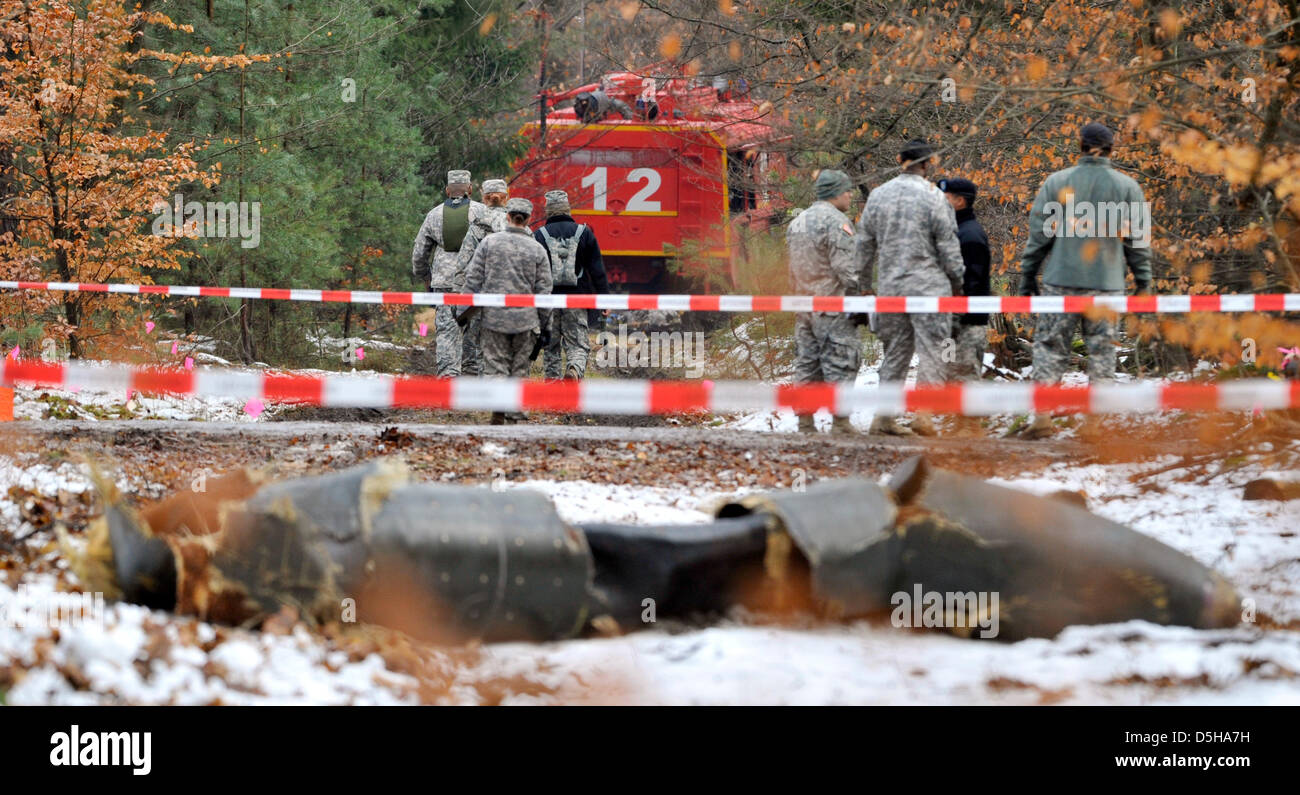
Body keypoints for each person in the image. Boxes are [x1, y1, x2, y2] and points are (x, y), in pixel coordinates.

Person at [1017, 122, 1153, 439]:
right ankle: (1096, 423)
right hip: (1106, 284)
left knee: (1050, 348)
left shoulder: (1057, 182)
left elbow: (1039, 234)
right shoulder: (1128, 187)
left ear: (1080, 145)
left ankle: (1042, 418)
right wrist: (1143, 281)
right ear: (1111, 149)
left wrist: (1028, 274)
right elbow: (1138, 240)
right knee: (1102, 352)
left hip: (1060, 282)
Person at [856, 140, 964, 437]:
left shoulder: (878, 196)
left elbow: (864, 245)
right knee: (932, 353)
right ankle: (923, 416)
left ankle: (884, 417)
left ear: (899, 160)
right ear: (927, 164)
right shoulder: (934, 197)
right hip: (929, 290)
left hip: (891, 289)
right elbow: (948, 247)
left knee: (895, 353)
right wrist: (958, 284)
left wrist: (865, 286)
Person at [786, 169, 862, 435]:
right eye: (847, 190)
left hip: (803, 305)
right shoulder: (836, 222)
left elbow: (791, 271)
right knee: (841, 360)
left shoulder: (798, 222)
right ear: (835, 193)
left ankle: (805, 422)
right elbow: (847, 270)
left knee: (807, 362)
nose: (850, 195)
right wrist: (862, 297)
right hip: (832, 305)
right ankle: (840, 422)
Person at [464, 198, 553, 425]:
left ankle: (498, 407)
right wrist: (546, 326)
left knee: (495, 365)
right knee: (520, 368)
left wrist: (463, 313)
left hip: (494, 319)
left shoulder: (489, 243)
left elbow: (472, 280)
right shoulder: (537, 249)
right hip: (526, 319)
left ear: (508, 216)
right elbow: (544, 292)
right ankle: (515, 413)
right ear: (529, 219)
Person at [411, 169, 490, 376]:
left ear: (447, 190)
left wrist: (426, 278)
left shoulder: (434, 215)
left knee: (447, 331)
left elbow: (420, 252)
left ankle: (448, 376)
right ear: (470, 189)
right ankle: (473, 375)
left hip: (444, 283)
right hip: (476, 283)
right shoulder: (483, 213)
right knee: (475, 331)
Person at [534, 189, 610, 380]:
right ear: (568, 209)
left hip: (548, 301)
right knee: (578, 344)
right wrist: (604, 299)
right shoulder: (584, 233)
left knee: (550, 346)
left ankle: (552, 386)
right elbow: (597, 270)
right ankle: (574, 370)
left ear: (548, 210)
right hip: (577, 299)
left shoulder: (538, 235)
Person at [458, 178, 511, 376]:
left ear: (484, 198)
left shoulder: (477, 226)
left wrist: (461, 292)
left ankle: (480, 381)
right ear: (506, 198)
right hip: (511, 292)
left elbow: (464, 261)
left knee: (476, 337)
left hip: (481, 292)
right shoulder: (517, 223)